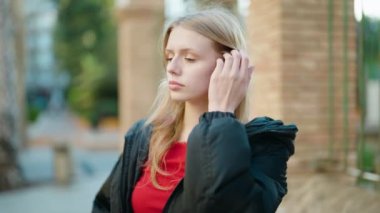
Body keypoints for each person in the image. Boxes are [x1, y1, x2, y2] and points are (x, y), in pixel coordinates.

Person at [92, 7, 298, 213]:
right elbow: (104, 205)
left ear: (229, 66)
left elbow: (230, 206)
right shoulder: (143, 136)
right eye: (170, 56)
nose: (172, 68)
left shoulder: (266, 145)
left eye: (189, 58)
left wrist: (220, 114)